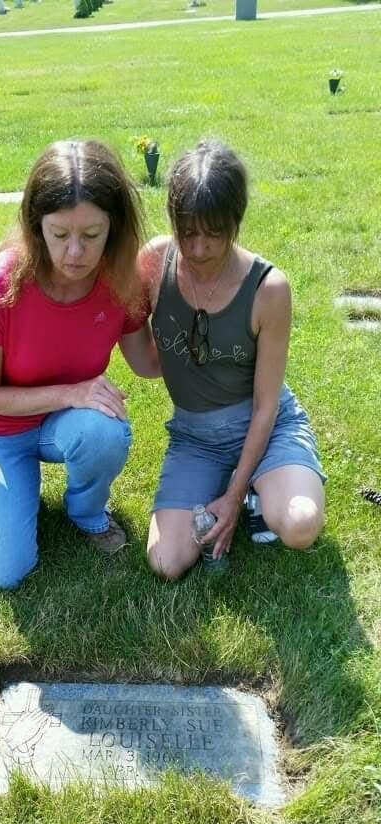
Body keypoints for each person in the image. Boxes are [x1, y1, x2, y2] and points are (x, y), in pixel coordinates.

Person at [0, 138, 160, 590]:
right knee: (2, 573)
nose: (75, 253)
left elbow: (147, 361)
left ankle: (86, 511)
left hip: (71, 424)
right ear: (36, 225)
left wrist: (187, 313)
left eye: (92, 235)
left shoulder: (120, 279)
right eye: (59, 234)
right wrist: (72, 392)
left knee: (103, 429)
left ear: (114, 228)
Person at [139, 139, 325, 579]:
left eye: (215, 232)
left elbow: (265, 405)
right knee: (166, 562)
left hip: (267, 427)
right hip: (196, 437)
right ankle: (237, 489)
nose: (199, 247)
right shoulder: (154, 262)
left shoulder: (269, 288)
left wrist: (234, 489)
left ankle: (252, 490)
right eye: (188, 231)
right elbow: (136, 350)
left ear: (236, 222)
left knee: (300, 525)